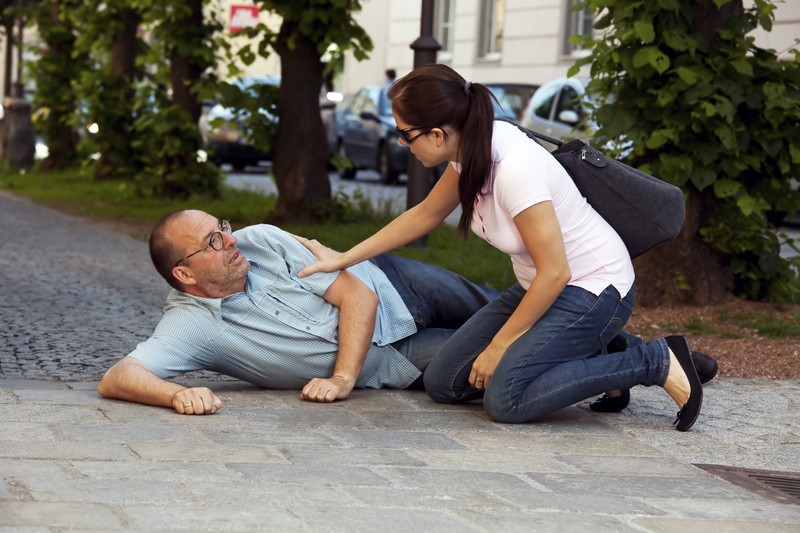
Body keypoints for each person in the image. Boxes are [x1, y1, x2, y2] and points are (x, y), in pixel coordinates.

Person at [297, 64, 705, 431]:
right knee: (444, 382)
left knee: (506, 399)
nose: (403, 144)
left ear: (437, 134)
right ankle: (602, 348)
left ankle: (653, 362)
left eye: (406, 135)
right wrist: (345, 257)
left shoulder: (515, 170)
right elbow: (424, 215)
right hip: (540, 289)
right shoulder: (467, 151)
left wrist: (500, 346)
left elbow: (557, 272)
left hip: (593, 288)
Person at [97, 209, 500, 415]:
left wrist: (342, 378)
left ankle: (563, 294)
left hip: (393, 282)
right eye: (213, 241)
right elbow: (118, 378)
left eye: (223, 227)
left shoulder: (263, 240)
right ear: (184, 272)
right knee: (500, 353)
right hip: (398, 357)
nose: (232, 239)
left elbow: (359, 296)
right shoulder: (192, 325)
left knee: (507, 307)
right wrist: (177, 395)